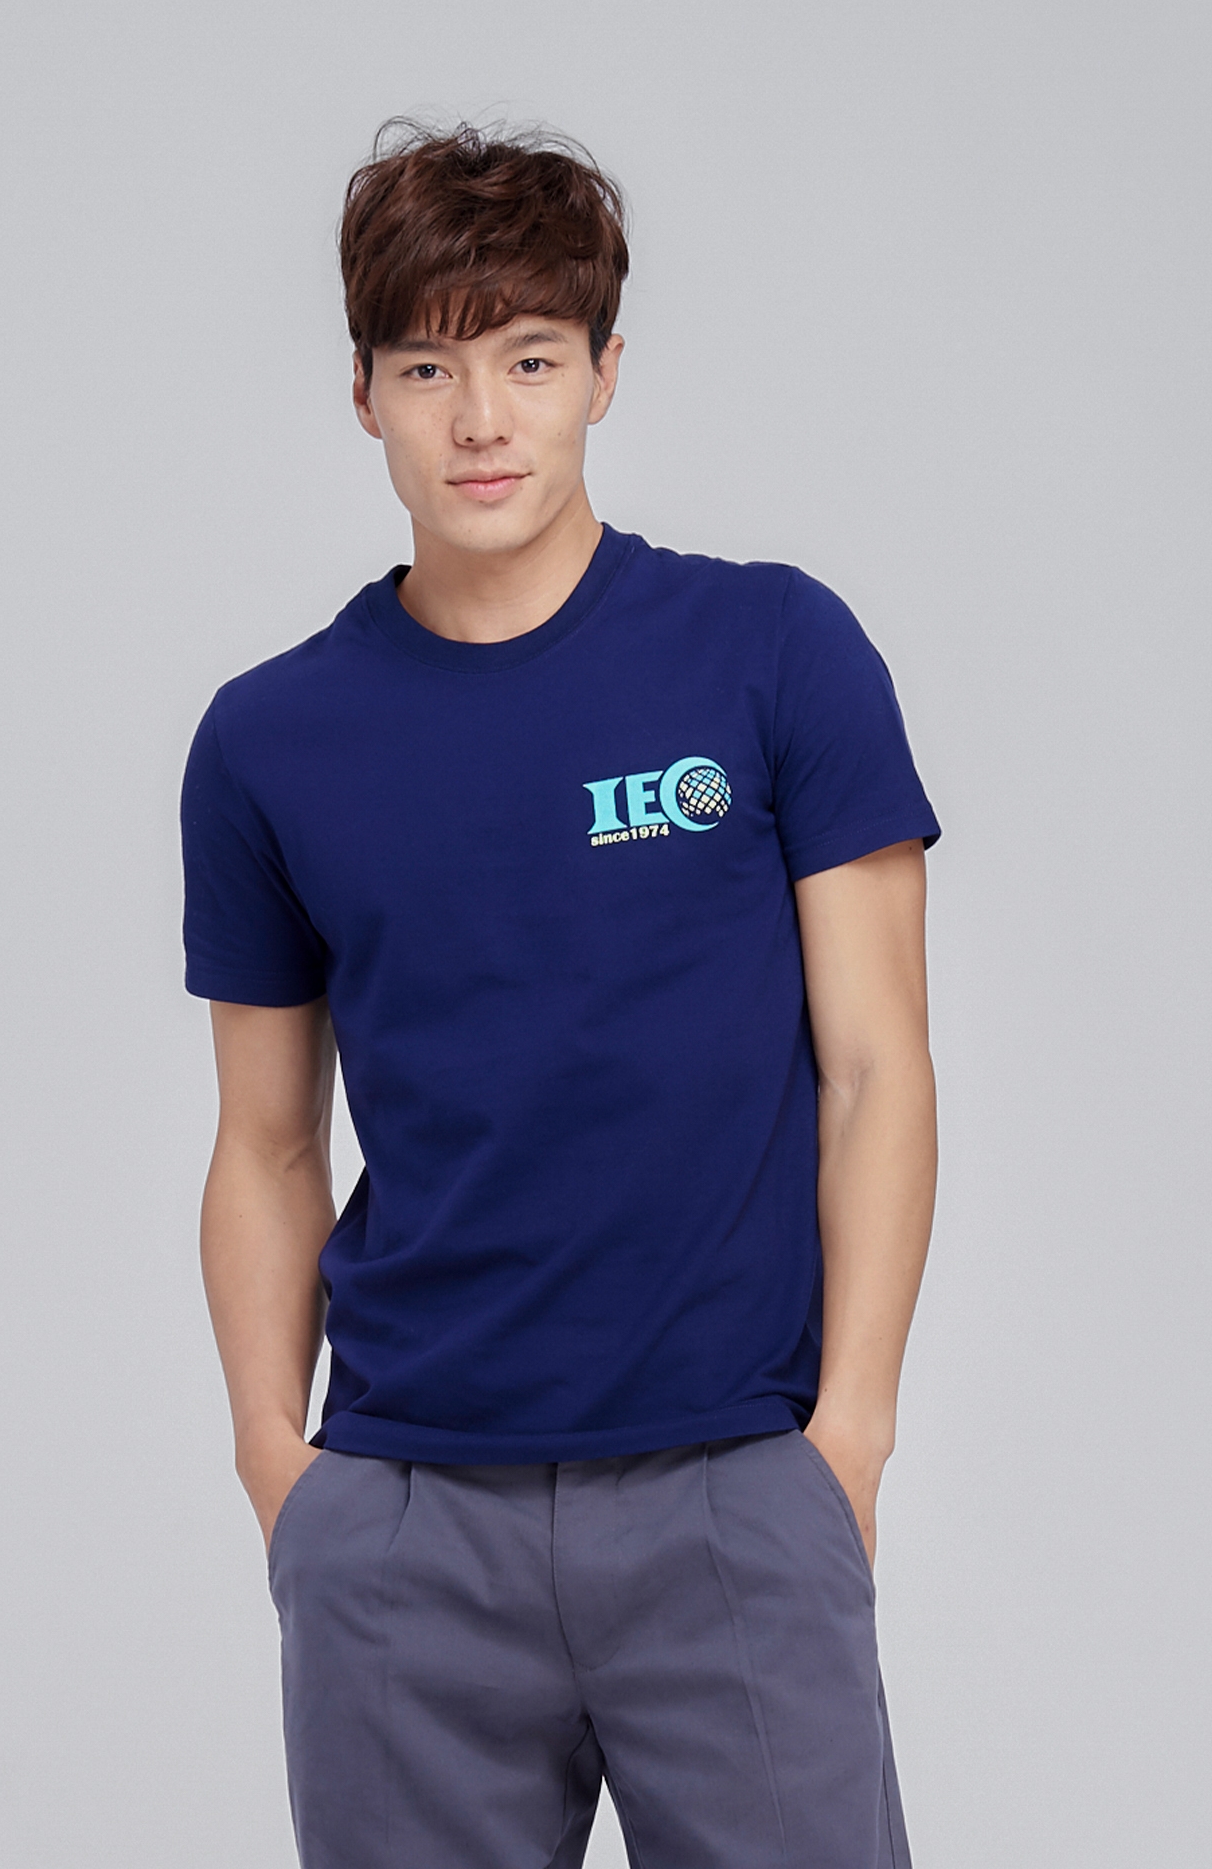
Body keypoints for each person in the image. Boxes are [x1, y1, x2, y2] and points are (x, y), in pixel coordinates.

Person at [181, 119, 940, 1869]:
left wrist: (846, 1446)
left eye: (529, 359)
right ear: (363, 394)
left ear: (604, 373)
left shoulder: (775, 653)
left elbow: (878, 1073)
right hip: (404, 1524)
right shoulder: (269, 741)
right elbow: (266, 1143)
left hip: (733, 1488)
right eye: (425, 366)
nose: (480, 418)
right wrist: (278, 1471)